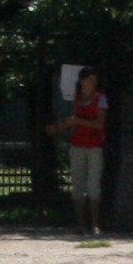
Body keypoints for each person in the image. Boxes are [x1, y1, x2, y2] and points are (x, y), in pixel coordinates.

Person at [49, 67, 107, 237]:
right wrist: (59, 127)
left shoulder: (100, 98)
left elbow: (99, 124)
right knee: (77, 185)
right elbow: (74, 121)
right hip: (78, 144)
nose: (93, 83)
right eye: (90, 79)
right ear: (82, 81)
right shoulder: (77, 98)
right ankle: (80, 224)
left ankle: (95, 225)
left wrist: (77, 121)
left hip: (94, 145)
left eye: (94, 80)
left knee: (94, 185)